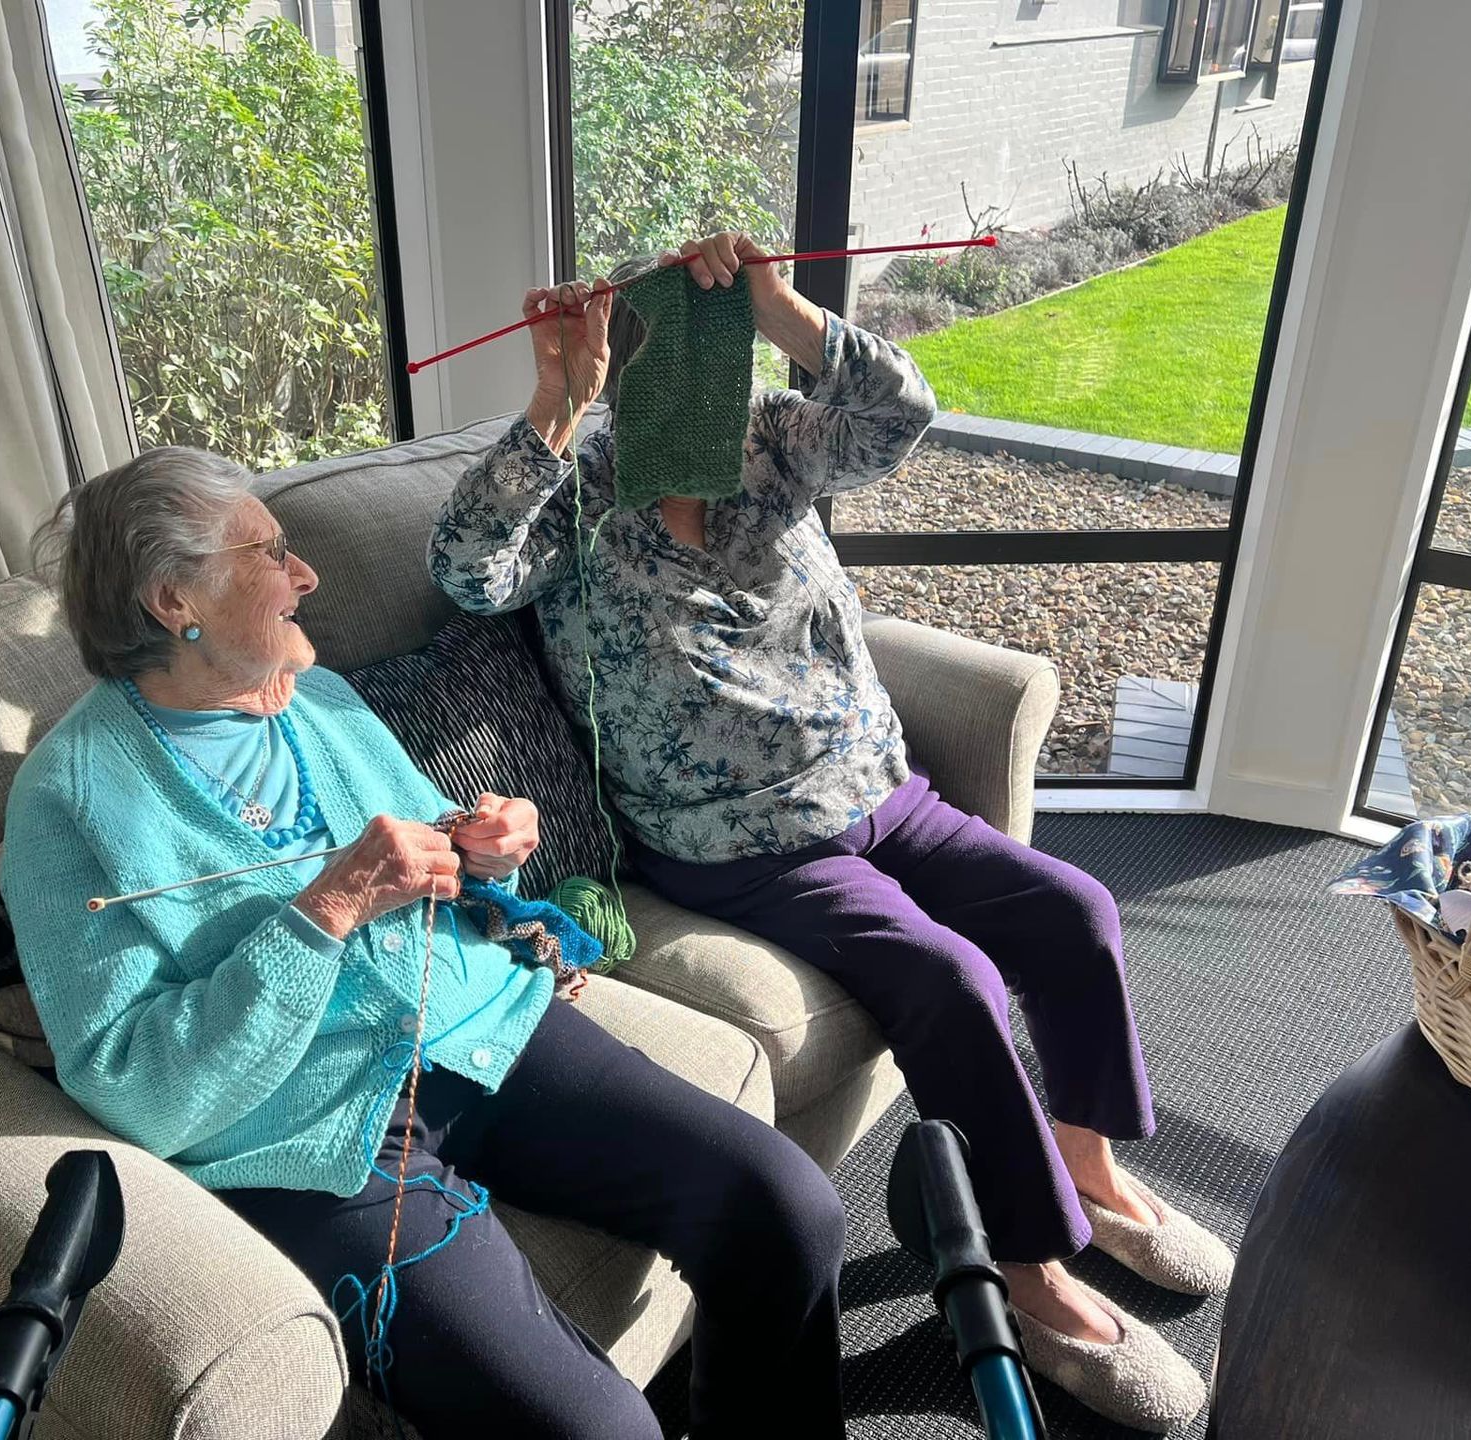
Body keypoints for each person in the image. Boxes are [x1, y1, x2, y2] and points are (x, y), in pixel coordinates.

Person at [427, 232, 1231, 1433]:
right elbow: (467, 571)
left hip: (878, 787)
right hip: (740, 842)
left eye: (719, 366)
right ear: (624, 376)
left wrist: (781, 308)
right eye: (666, 376)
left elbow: (903, 414)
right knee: (948, 978)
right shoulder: (576, 500)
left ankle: (1090, 1169)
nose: (700, 400)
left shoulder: (768, 442)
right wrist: (556, 400)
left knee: (1076, 912)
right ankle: (1034, 1279)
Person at [1, 446, 848, 1440]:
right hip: (310, 1139)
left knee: (789, 1207)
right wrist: (323, 912)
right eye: (270, 556)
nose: (305, 577)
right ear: (171, 597)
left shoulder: (314, 699)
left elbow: (423, 852)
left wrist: (482, 847)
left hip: (480, 1025)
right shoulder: (69, 802)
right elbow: (132, 1082)